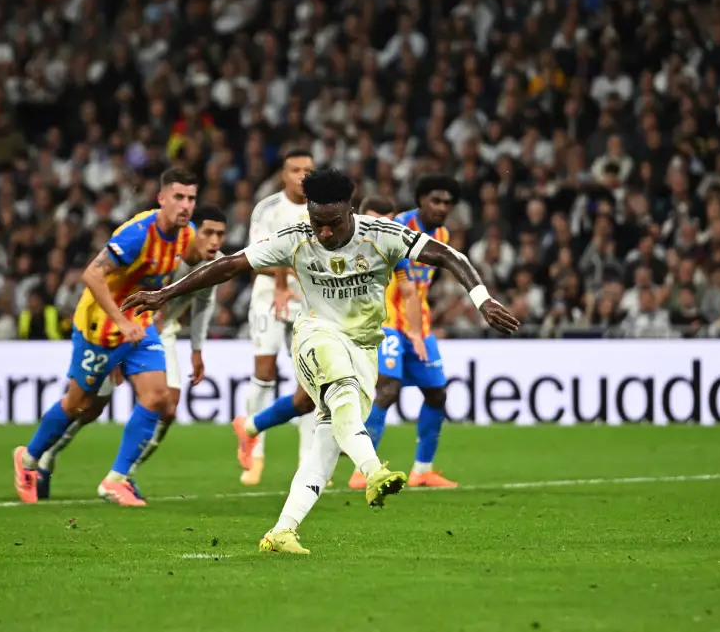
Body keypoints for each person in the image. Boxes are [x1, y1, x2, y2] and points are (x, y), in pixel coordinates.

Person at [122, 168, 519, 554]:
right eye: (316, 221)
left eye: (331, 223)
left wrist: (482, 299)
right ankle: (373, 470)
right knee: (342, 392)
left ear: (349, 210)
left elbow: (449, 255)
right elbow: (231, 265)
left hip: (364, 347)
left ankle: (282, 530)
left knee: (327, 444)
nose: (323, 232)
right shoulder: (296, 237)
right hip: (315, 335)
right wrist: (165, 293)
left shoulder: (382, 235)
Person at [12, 168, 197, 508]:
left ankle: (116, 479)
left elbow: (188, 268)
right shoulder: (137, 234)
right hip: (100, 326)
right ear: (162, 198)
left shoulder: (188, 235)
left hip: (139, 323)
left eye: (191, 198)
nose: (186, 206)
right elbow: (92, 274)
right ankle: (27, 459)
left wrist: (162, 304)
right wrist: (121, 322)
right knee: (80, 405)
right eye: (179, 197)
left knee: (157, 397)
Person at [32, 205, 228, 500]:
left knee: (167, 407)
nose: (214, 241)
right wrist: (119, 347)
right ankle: (47, 456)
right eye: (208, 233)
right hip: (128, 328)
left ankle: (124, 473)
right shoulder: (171, 254)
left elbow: (204, 303)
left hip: (162, 333)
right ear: (192, 233)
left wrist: (197, 350)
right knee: (89, 407)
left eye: (221, 235)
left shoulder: (216, 264)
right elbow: (126, 290)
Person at [229, 195, 418, 476]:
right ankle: (364, 468)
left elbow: (408, 288)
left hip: (375, 330)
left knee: (306, 401)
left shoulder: (390, 246)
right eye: (376, 220)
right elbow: (283, 252)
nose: (381, 228)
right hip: (329, 330)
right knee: (375, 389)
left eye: (387, 223)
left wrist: (414, 330)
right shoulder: (330, 241)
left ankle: (250, 426)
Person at [350, 175, 461, 491]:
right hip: (387, 322)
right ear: (421, 200)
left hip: (418, 325)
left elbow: (422, 288)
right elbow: (402, 285)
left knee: (437, 393)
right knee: (387, 389)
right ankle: (363, 469)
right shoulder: (395, 225)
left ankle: (423, 471)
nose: (441, 208)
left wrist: (417, 330)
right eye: (435, 200)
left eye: (447, 203)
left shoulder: (442, 234)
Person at [240, 149, 314, 485]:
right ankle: (254, 450)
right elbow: (253, 257)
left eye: (307, 170)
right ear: (283, 174)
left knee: (310, 381)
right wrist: (284, 276)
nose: (302, 176)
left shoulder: (321, 208)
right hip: (269, 295)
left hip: (308, 298)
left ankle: (308, 463)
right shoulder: (267, 208)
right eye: (295, 170)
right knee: (264, 372)